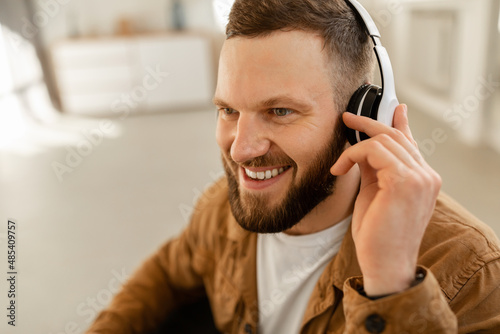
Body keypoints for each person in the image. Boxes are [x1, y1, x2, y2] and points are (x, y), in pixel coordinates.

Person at [86, 0, 500, 333]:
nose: (241, 151)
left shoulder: (472, 275)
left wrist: (391, 288)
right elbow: (168, 273)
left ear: (365, 117)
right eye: (228, 109)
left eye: (280, 110)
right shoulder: (221, 205)